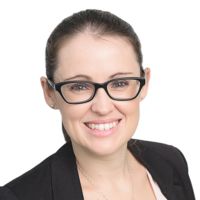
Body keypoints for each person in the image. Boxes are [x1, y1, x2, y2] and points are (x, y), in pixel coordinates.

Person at [0, 9, 195, 200]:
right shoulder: (17, 196)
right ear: (49, 93)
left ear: (144, 84)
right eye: (79, 86)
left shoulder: (171, 161)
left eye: (120, 83)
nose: (102, 107)